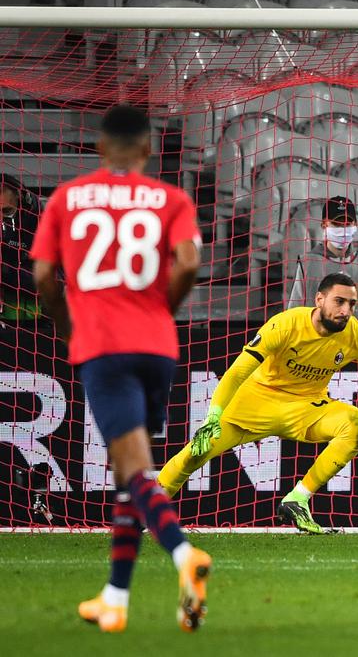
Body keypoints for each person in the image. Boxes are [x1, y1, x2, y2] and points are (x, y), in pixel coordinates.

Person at [29, 105, 211, 633]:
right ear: (149, 150)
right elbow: (191, 261)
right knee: (133, 471)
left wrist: (68, 326)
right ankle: (115, 597)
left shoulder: (68, 198)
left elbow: (42, 275)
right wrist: (161, 310)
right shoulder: (170, 198)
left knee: (132, 470)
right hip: (157, 346)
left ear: (101, 149)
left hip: (104, 346)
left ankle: (183, 555)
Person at [158, 272, 358, 534]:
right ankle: (141, 517)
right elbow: (238, 371)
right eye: (339, 301)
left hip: (306, 408)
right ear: (319, 299)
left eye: (352, 304)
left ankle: (298, 498)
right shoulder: (286, 324)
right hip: (253, 405)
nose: (346, 310)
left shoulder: (354, 335)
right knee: (190, 458)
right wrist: (214, 413)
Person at [286, 196, 358, 326]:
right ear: (324, 225)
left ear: (355, 225)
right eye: (336, 224)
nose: (343, 230)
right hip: (319, 343)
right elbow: (293, 313)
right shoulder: (307, 263)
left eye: (348, 224)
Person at [1, 174, 40, 321]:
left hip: (32, 305)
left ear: (19, 198)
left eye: (6, 211)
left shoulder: (37, 222)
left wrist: (6, 270)